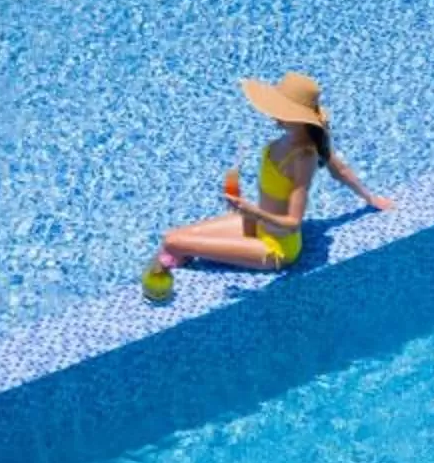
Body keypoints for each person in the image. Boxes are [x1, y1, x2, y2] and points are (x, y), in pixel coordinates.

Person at [143, 73, 391, 300]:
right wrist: (371, 198)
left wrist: (251, 211)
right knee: (174, 238)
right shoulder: (296, 140)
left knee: (173, 242)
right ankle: (174, 267)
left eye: (280, 108)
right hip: (258, 224)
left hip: (276, 247)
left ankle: (157, 292)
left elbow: (294, 221)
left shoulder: (302, 158)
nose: (273, 114)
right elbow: (341, 171)